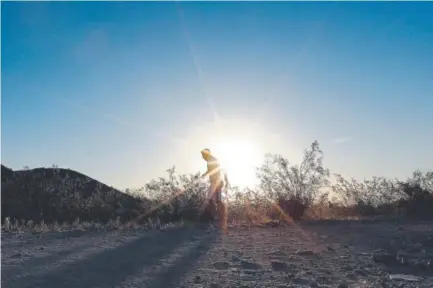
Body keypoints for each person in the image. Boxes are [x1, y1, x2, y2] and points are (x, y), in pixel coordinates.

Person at [200, 148, 227, 228]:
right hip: (215, 182)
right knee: (214, 200)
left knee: (215, 200)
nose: (202, 157)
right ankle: (217, 217)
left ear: (206, 154)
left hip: (216, 182)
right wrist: (205, 174)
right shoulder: (210, 160)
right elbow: (211, 170)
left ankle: (219, 217)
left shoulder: (211, 160)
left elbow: (216, 169)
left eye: (203, 155)